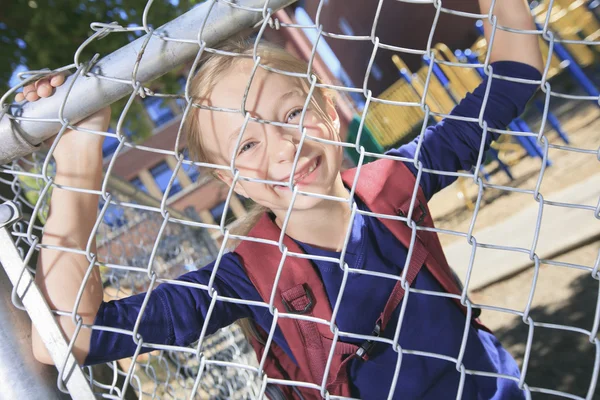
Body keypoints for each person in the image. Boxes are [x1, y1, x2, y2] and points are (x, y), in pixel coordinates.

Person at [22, 0, 543, 398]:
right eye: (246, 144)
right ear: (232, 182)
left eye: (291, 113)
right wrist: (79, 151)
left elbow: (514, 74)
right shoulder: (248, 277)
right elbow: (66, 337)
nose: (282, 145)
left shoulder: (395, 184)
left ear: (328, 112)